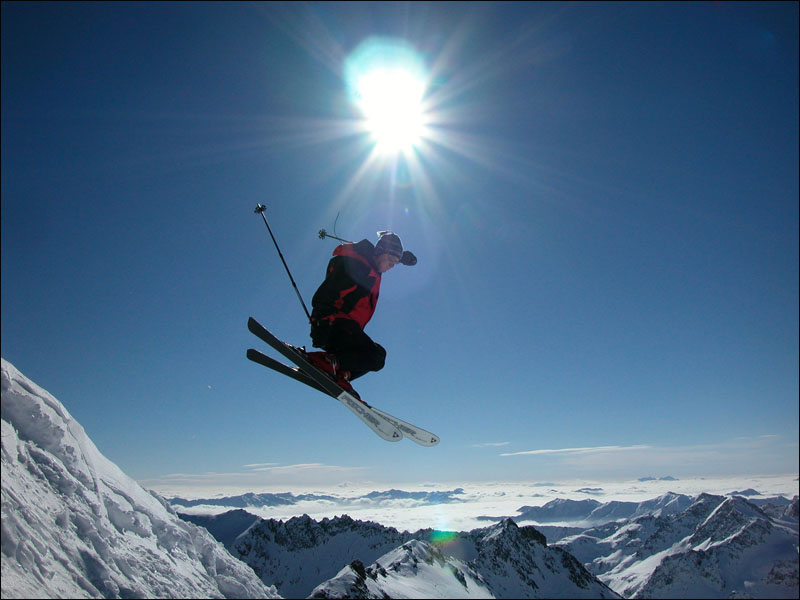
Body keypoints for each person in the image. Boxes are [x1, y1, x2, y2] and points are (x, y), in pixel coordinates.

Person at [304, 231, 417, 398]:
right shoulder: (357, 266)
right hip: (333, 325)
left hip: (346, 328)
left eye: (396, 262)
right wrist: (320, 322)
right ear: (379, 252)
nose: (393, 266)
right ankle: (327, 363)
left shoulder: (370, 267)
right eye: (391, 260)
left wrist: (404, 258)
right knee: (375, 356)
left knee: (377, 356)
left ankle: (340, 372)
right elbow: (328, 292)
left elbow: (390, 252)